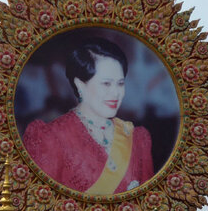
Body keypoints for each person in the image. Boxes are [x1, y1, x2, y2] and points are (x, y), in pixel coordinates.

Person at [22, 38, 154, 195]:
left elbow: (149, 206)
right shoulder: (50, 138)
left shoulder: (136, 138)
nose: (115, 93)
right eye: (106, 84)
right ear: (80, 85)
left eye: (120, 83)